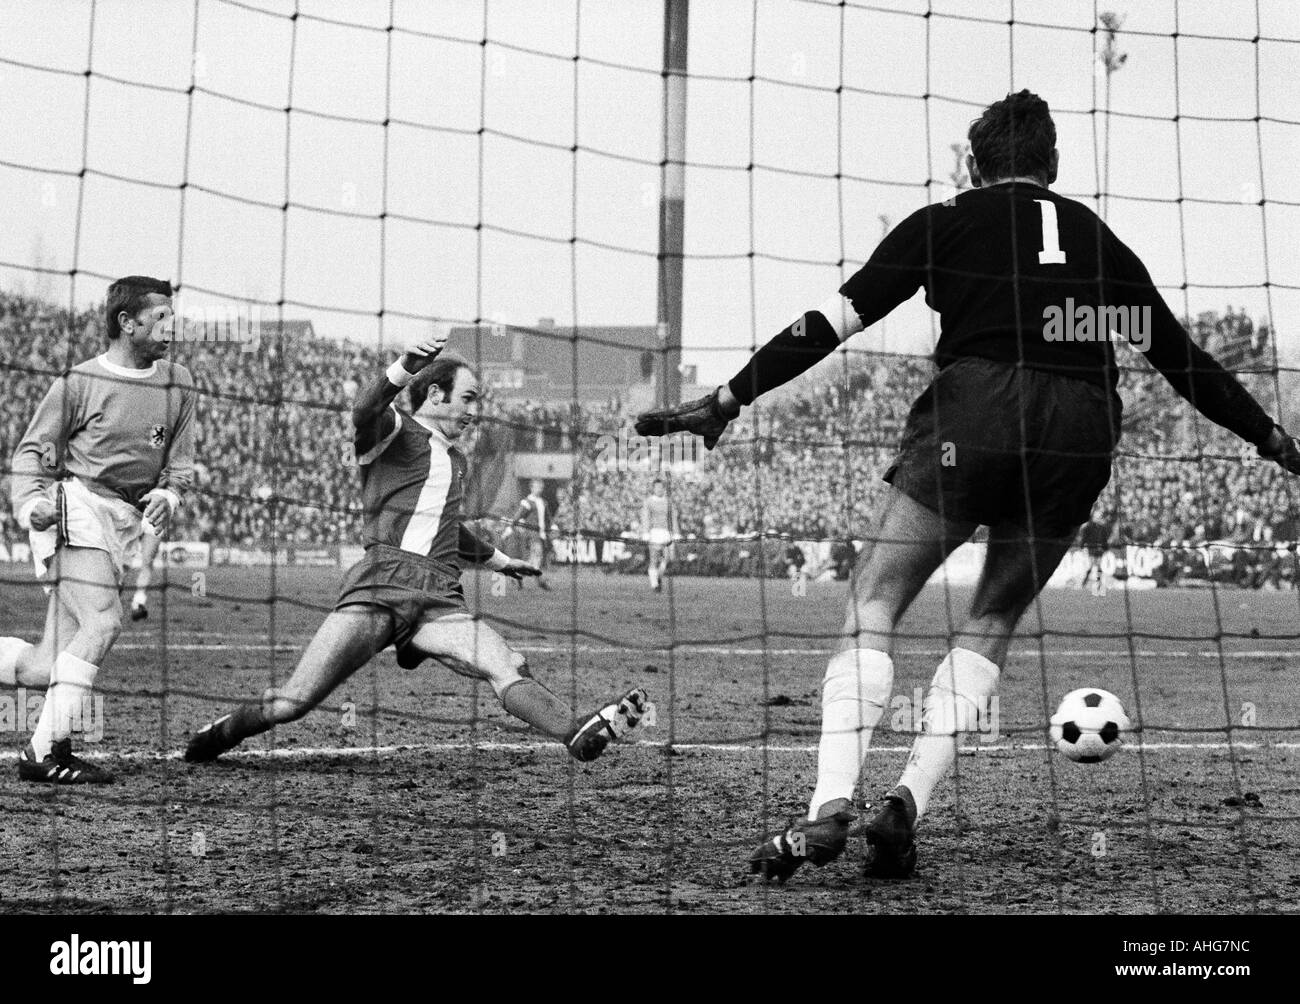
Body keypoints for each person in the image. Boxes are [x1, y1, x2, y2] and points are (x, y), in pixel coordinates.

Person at [636, 90, 1300, 881]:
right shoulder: (1097, 239)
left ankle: (828, 806)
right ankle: (906, 804)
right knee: (990, 619)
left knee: (873, 602)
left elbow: (829, 322)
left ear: (974, 165)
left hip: (979, 408)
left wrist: (728, 398)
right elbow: (1184, 362)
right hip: (1083, 426)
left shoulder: (943, 221)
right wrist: (1274, 438)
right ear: (1051, 166)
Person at [186, 335, 647, 764]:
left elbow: (447, 528)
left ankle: (578, 733)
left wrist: (501, 562)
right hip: (381, 586)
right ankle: (223, 732)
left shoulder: (457, 459)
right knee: (294, 702)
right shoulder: (396, 431)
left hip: (438, 599)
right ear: (434, 396)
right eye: (468, 398)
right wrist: (404, 368)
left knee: (505, 662)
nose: (474, 412)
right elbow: (363, 410)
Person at [1, 276, 194, 784]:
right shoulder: (78, 382)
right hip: (77, 506)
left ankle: (49, 745)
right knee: (104, 623)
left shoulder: (180, 382)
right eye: (160, 317)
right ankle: (43, 753)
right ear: (126, 323)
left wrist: (169, 494)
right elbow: (29, 451)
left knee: (45, 667)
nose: (171, 326)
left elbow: (181, 464)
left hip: (126, 524)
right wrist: (30, 504)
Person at [511, 479, 550, 590]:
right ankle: (541, 582)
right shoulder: (527, 502)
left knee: (534, 560)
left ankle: (518, 576)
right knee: (537, 557)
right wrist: (515, 527)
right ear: (531, 488)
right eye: (537, 486)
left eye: (541, 487)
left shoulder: (543, 502)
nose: (540, 489)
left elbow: (548, 518)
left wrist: (552, 527)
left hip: (541, 534)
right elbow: (517, 517)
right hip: (532, 535)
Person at [641, 478, 678, 592]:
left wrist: (676, 532)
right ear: (653, 488)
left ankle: (658, 576)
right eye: (657, 487)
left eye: (661, 487)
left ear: (664, 489)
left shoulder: (669, 502)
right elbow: (646, 517)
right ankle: (654, 585)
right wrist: (646, 532)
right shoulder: (649, 502)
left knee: (669, 558)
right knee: (654, 559)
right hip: (654, 532)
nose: (659, 489)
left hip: (666, 533)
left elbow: (673, 517)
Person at [128, 526, 163, 620]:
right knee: (120, 562)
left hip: (152, 519)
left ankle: (138, 603)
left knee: (147, 561)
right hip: (129, 514)